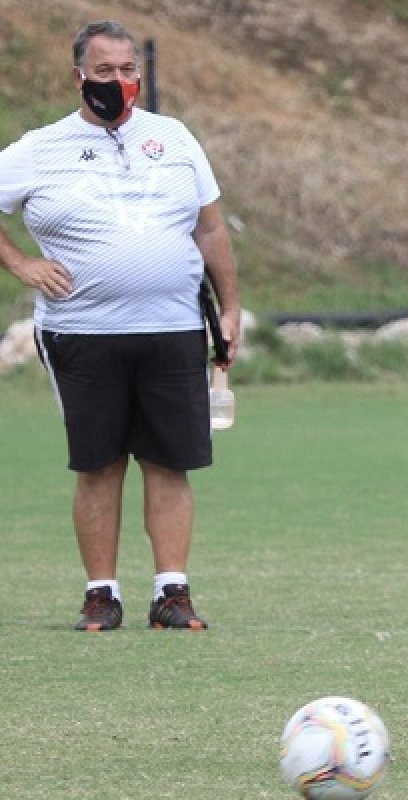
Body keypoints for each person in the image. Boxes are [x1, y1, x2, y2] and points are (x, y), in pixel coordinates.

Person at [0, 20, 241, 632]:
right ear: (79, 76)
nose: (119, 81)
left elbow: (211, 227)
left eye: (128, 69)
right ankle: (101, 594)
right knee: (99, 464)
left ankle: (172, 592)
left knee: (169, 462)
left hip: (174, 327)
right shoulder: (40, 148)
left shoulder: (174, 137)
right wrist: (22, 264)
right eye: (104, 71)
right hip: (81, 331)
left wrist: (230, 307)